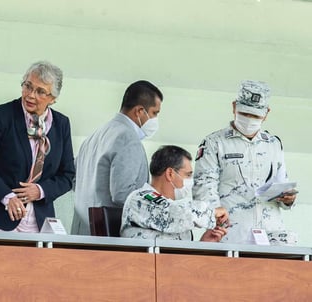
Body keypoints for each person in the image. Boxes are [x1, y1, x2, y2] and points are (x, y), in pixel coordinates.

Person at [0, 61, 75, 232]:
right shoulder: (1, 115)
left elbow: (67, 175)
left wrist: (40, 190)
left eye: (40, 91)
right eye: (28, 86)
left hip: (39, 221)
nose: (31, 95)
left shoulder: (62, 124)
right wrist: (7, 197)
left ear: (52, 99)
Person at [193, 80, 297, 245]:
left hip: (270, 237)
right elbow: (203, 186)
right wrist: (215, 213)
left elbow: (282, 183)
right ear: (234, 107)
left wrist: (288, 199)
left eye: (255, 116)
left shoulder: (273, 144)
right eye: (244, 114)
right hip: (231, 235)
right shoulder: (214, 143)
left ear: (266, 113)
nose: (249, 120)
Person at [71, 80, 163, 235]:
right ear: (139, 111)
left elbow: (74, 182)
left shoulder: (94, 137)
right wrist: (158, 203)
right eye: (154, 113)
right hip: (108, 238)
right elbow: (122, 194)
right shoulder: (127, 138)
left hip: (82, 233)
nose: (155, 119)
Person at [120, 145, 228, 241]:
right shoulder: (140, 198)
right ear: (170, 173)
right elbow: (173, 212)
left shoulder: (180, 218)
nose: (191, 181)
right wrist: (211, 211)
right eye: (188, 175)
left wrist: (205, 243)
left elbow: (182, 257)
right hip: (142, 263)